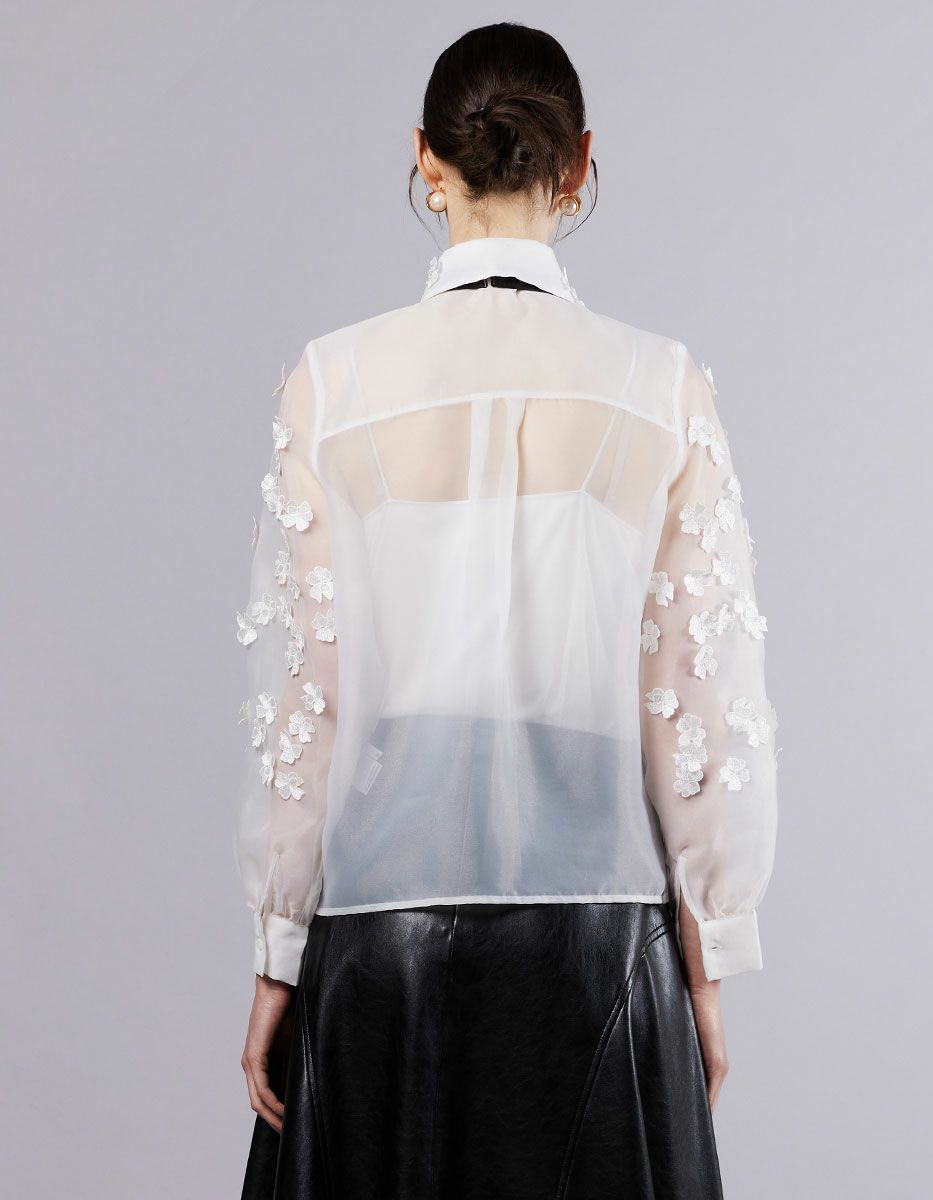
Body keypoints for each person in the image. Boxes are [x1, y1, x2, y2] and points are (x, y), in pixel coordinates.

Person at [236, 21, 778, 1200]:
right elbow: (692, 701)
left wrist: (279, 952)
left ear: (424, 159)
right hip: (598, 939)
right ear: (578, 163)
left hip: (381, 933)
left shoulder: (330, 384)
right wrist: (708, 957)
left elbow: (307, 702)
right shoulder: (660, 385)